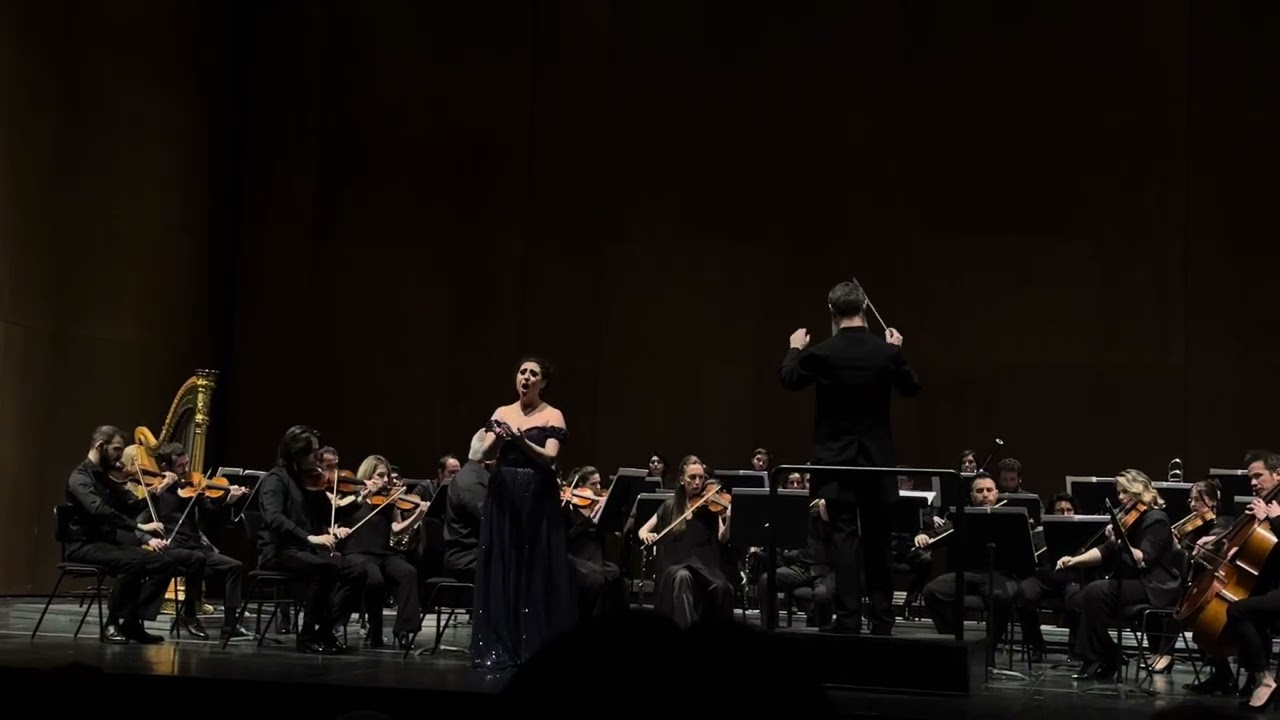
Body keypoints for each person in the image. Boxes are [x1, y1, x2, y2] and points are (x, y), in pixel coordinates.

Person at [780, 279, 921, 634]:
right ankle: (883, 620)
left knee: (843, 537)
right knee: (878, 540)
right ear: (864, 307)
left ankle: (848, 619)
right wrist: (896, 351)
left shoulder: (823, 353)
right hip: (876, 461)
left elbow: (789, 378)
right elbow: (911, 388)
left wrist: (795, 348)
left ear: (831, 310)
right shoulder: (885, 353)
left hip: (837, 461)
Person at [470, 357, 576, 671]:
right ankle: (503, 641)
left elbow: (550, 458)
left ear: (543, 383)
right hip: (504, 496)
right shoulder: (502, 412)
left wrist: (521, 440)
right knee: (505, 561)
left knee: (535, 563)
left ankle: (535, 644)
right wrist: (499, 439)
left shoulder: (553, 414)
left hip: (537, 498)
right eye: (522, 372)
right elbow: (483, 454)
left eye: (533, 373)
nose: (526, 377)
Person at [1055, 469, 1181, 682]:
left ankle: (1100, 657)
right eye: (1119, 492)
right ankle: (1106, 654)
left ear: (1140, 490)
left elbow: (1143, 559)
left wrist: (1121, 541)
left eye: (1125, 492)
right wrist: (1074, 560)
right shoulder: (1128, 518)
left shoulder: (1157, 519)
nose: (1120, 497)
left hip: (1156, 586)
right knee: (1081, 597)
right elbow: (1104, 551)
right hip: (1136, 582)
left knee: (1096, 592)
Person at [63, 425, 179, 643]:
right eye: (117, 449)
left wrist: (158, 491)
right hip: (83, 545)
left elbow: (130, 508)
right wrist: (139, 527)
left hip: (107, 544)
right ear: (100, 446)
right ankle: (112, 622)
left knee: (165, 563)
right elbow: (98, 510)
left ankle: (132, 622)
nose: (120, 456)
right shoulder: (80, 477)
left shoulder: (107, 478)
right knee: (132, 562)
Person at [256, 425, 365, 654]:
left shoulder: (309, 480)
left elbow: (328, 514)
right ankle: (306, 636)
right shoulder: (276, 479)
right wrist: (309, 538)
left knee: (357, 570)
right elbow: (274, 518)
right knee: (325, 568)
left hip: (304, 551)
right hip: (279, 551)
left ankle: (325, 630)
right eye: (313, 452)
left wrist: (359, 500)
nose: (318, 456)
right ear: (296, 453)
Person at [1189, 451, 1280, 707]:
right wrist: (1223, 541)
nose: (1253, 482)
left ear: (1278, 474)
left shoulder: (1273, 510)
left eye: (1258, 476)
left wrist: (1274, 518)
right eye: (1251, 477)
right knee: (1244, 609)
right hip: (1270, 586)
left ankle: (1263, 679)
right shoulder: (1266, 506)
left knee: (1240, 610)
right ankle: (1252, 680)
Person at [145, 441, 251, 641]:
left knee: (234, 566)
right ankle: (190, 615)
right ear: (166, 467)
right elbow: (142, 515)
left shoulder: (194, 488)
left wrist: (229, 501)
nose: (186, 470)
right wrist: (164, 487)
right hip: (171, 548)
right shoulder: (157, 491)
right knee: (196, 559)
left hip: (195, 546)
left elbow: (212, 514)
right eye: (180, 466)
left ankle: (230, 625)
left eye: (187, 464)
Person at [637, 456, 735, 629]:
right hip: (675, 563)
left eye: (701, 477)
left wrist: (728, 518)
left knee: (722, 588)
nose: (697, 482)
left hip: (704, 566)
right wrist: (647, 535)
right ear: (682, 480)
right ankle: (684, 631)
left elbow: (722, 537)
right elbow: (643, 530)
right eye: (692, 477)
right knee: (683, 576)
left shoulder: (711, 506)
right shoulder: (670, 505)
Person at [338, 455, 422, 650]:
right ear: (368, 475)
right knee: (375, 579)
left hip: (384, 554)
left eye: (387, 477)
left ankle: (404, 631)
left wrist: (418, 515)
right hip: (358, 554)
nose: (386, 480)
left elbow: (396, 528)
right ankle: (375, 630)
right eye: (380, 475)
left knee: (408, 572)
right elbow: (337, 519)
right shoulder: (352, 498)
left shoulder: (389, 501)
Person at [563, 466, 628, 620]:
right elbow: (567, 537)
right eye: (593, 484)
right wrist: (588, 522)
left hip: (596, 557)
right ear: (580, 486)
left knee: (619, 578)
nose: (598, 488)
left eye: (599, 483)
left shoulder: (599, 507)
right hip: (576, 557)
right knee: (595, 579)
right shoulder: (569, 509)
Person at [757, 498, 834, 627]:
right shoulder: (798, 510)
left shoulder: (826, 507)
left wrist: (824, 512)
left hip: (824, 569)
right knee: (766, 580)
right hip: (801, 568)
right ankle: (770, 628)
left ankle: (821, 633)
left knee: (822, 595)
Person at [443, 430, 490, 583]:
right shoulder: (472, 481)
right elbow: (488, 520)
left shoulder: (475, 475)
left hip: (474, 553)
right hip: (466, 557)